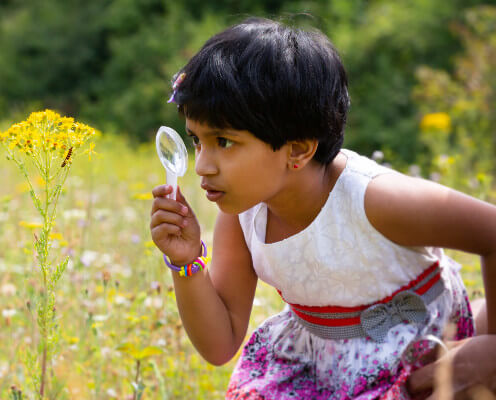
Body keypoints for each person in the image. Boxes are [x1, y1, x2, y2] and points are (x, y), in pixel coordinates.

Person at [149, 17, 496, 399]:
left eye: (224, 142)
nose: (202, 165)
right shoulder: (243, 216)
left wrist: (492, 349)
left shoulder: (377, 201)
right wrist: (185, 264)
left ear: (297, 149)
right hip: (322, 369)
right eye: (197, 140)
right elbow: (219, 345)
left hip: (422, 356)